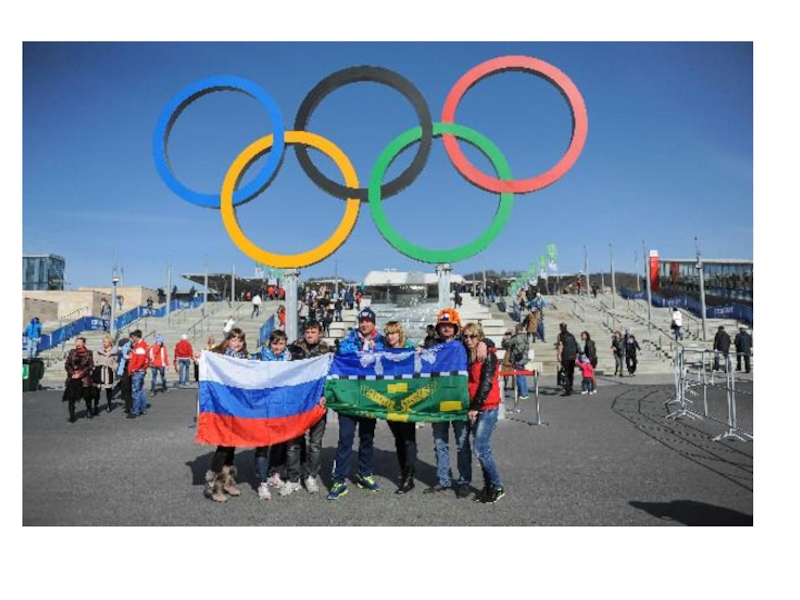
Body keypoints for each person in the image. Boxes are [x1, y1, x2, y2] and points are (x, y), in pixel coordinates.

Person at [327, 307, 385, 500]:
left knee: (367, 438)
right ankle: (339, 480)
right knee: (345, 438)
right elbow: (346, 356)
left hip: (370, 398)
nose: (364, 324)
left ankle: (365, 473)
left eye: (368, 321)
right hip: (349, 398)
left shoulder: (382, 342)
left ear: (374, 323)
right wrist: (364, 349)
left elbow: (396, 354)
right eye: (362, 321)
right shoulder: (348, 341)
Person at [422, 308, 474, 498]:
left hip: (459, 401)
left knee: (462, 443)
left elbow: (483, 342)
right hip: (438, 401)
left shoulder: (465, 344)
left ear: (456, 327)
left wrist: (485, 345)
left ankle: (464, 481)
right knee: (440, 442)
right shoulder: (431, 345)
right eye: (442, 325)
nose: (446, 328)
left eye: (449, 325)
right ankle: (443, 479)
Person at [281, 321, 331, 496]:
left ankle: (310, 476)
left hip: (318, 403)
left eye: (313, 332)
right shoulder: (292, 350)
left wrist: (327, 395)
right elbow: (281, 371)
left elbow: (332, 377)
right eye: (307, 332)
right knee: (293, 444)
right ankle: (293, 479)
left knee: (315, 445)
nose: (310, 335)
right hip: (297, 404)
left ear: (320, 334)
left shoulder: (327, 352)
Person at [203, 328, 250, 503]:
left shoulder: (246, 358)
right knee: (223, 446)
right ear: (228, 341)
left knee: (231, 445)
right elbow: (204, 367)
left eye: (240, 340)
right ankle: (214, 486)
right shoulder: (218, 356)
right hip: (221, 407)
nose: (237, 343)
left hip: (236, 407)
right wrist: (199, 361)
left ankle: (228, 481)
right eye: (234, 340)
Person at [463, 322, 505, 503]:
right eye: (466, 336)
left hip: (486, 407)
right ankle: (488, 485)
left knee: (480, 448)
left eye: (473, 336)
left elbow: (486, 384)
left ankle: (497, 486)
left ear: (479, 336)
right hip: (478, 406)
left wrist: (475, 407)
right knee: (483, 448)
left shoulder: (487, 354)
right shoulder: (470, 353)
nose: (468, 340)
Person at [252, 330, 293, 501]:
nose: (277, 347)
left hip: (280, 407)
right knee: (263, 444)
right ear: (270, 344)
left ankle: (273, 473)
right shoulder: (259, 357)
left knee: (279, 442)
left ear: (285, 344)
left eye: (281, 343)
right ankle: (262, 482)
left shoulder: (290, 359)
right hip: (263, 407)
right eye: (275, 343)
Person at [383, 321, 418, 494]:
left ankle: (409, 477)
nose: (390, 336)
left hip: (407, 400)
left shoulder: (411, 349)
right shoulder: (384, 351)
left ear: (400, 334)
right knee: (398, 437)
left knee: (408, 438)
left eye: (393, 333)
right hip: (390, 400)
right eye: (388, 333)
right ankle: (404, 472)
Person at [64, 337, 94, 422]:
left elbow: (90, 365)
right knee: (71, 398)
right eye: (76, 342)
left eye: (79, 342)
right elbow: (67, 364)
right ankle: (72, 415)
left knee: (87, 397)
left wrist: (80, 374)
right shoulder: (72, 352)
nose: (77, 344)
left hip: (84, 379)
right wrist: (72, 373)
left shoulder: (89, 353)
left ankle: (89, 411)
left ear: (83, 343)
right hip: (72, 378)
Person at [501, 323, 530, 400]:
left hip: (518, 359)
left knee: (519, 376)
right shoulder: (525, 337)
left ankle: (522, 394)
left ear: (517, 329)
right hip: (524, 358)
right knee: (523, 376)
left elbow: (507, 344)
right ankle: (525, 393)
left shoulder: (516, 338)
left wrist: (505, 338)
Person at [92, 334, 118, 414]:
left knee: (108, 390)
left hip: (108, 372)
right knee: (97, 390)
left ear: (110, 343)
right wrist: (97, 364)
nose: (104, 343)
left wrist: (112, 365)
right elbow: (94, 361)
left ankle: (109, 404)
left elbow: (116, 363)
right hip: (99, 371)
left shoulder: (114, 352)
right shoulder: (98, 351)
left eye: (106, 342)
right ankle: (96, 406)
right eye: (103, 341)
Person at [126, 329, 149, 419]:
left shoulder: (140, 346)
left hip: (138, 371)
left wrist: (134, 368)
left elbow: (140, 361)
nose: (132, 339)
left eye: (133, 337)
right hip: (140, 371)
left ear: (135, 337)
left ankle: (135, 411)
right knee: (140, 390)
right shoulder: (143, 345)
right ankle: (142, 408)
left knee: (136, 391)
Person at [556, 323, 579, 396]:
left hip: (565, 356)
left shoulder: (561, 335)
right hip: (572, 356)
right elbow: (575, 345)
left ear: (560, 328)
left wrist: (559, 355)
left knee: (565, 372)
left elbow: (560, 345)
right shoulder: (571, 335)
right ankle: (570, 387)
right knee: (571, 373)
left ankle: (567, 389)